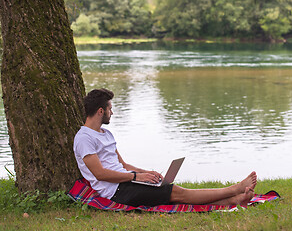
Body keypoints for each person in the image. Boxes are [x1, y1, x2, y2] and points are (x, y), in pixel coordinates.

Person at [73, 88, 257, 207]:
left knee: (174, 192)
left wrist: (147, 173)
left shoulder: (106, 134)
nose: (111, 112)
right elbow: (101, 174)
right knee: (179, 193)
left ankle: (234, 200)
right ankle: (235, 189)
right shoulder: (84, 138)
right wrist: (137, 177)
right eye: (109, 108)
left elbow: (122, 164)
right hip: (116, 190)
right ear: (100, 111)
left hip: (127, 181)